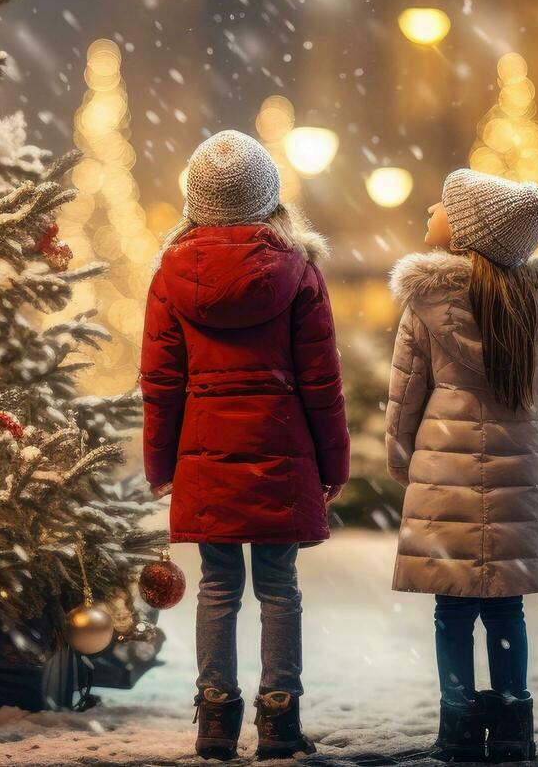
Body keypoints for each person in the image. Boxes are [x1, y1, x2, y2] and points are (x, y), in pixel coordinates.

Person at [140, 130, 350, 761]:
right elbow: (322, 381)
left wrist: (161, 462)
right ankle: (281, 720)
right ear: (268, 198)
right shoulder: (300, 273)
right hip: (281, 449)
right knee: (280, 586)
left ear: (196, 199)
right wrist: (332, 463)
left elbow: (160, 383)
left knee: (218, 586)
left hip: (206, 455)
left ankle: (214, 719)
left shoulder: (170, 277)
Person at [385, 169, 538, 763]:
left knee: (452, 607)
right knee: (505, 606)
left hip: (442, 476)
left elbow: (405, 398)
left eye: (443, 204)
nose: (430, 206)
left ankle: (460, 725)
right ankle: (515, 722)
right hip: (524, 472)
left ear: (467, 231)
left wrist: (405, 463)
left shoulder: (426, 303)